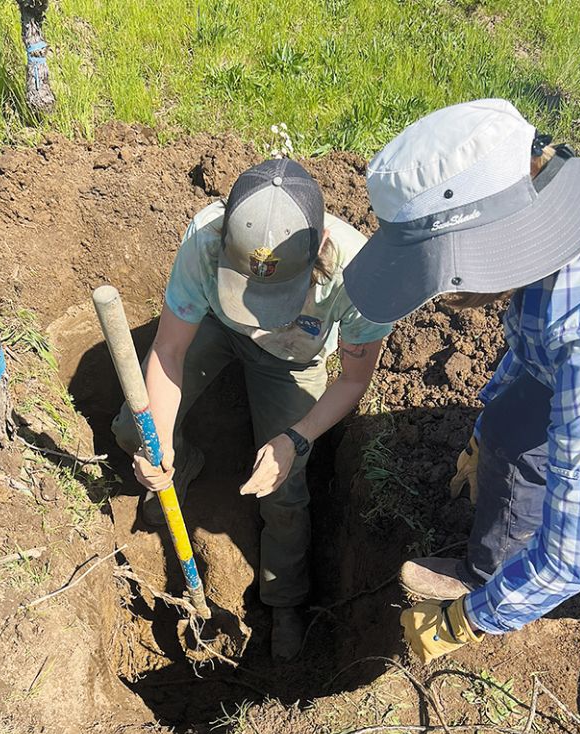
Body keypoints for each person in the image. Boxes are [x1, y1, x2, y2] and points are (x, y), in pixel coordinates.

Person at [343, 98, 580, 664]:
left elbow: (571, 557)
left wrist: (464, 621)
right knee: (509, 420)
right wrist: (486, 430)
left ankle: (512, 594)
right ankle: (494, 569)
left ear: (491, 240)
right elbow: (532, 348)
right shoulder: (553, 221)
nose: (443, 296)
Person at [113, 159, 391, 662]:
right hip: (219, 329)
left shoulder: (361, 275)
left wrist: (296, 439)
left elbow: (352, 381)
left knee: (285, 487)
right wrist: (159, 441)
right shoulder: (205, 238)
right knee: (134, 430)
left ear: (320, 250)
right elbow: (170, 351)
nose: (262, 316)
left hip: (292, 361)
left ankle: (284, 600)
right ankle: (182, 465)